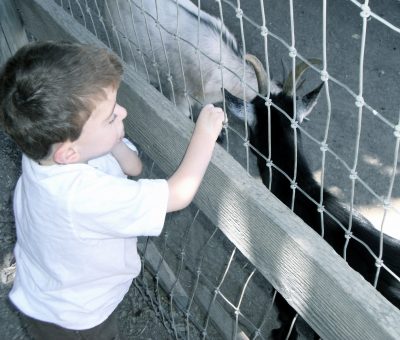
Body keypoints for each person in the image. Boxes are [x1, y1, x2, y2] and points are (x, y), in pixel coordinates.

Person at [0, 41, 225, 339]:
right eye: (110, 117)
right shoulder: (82, 196)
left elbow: (133, 168)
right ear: (68, 152)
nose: (124, 112)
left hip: (48, 288)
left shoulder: (43, 153)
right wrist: (205, 134)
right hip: (76, 318)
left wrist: (113, 138)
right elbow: (177, 194)